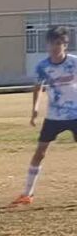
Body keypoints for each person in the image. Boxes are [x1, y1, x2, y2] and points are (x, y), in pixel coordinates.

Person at [12, 25, 76, 206]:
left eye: (59, 43)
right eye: (52, 43)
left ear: (65, 44)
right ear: (47, 45)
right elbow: (38, 87)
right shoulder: (43, 66)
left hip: (75, 114)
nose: (55, 47)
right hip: (54, 116)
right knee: (40, 152)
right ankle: (27, 194)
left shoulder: (74, 62)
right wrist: (35, 109)